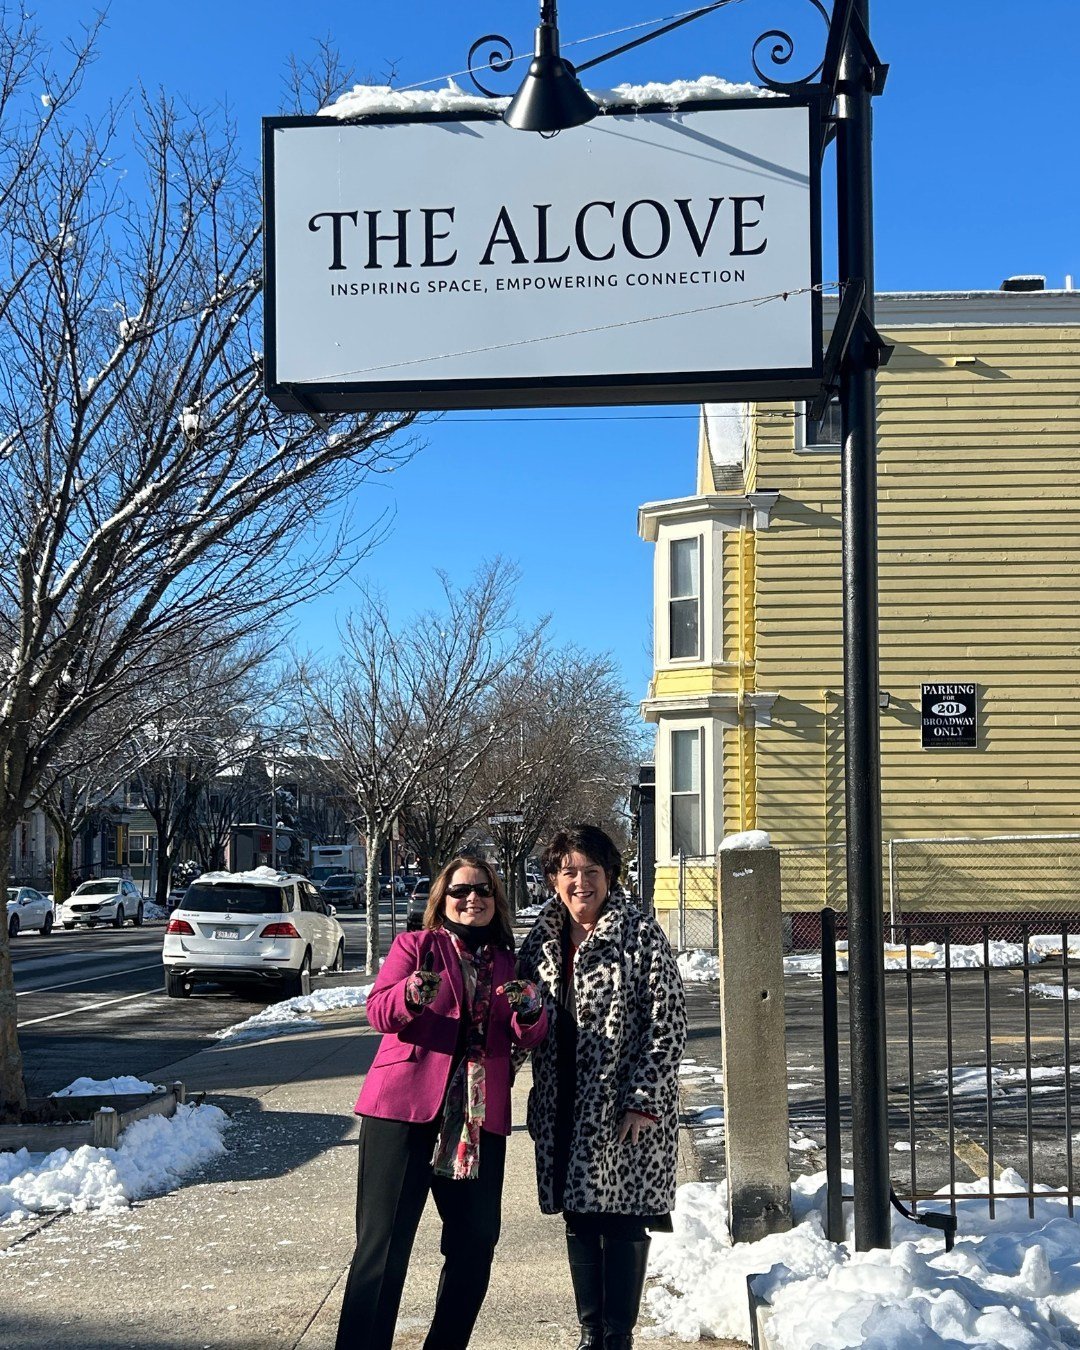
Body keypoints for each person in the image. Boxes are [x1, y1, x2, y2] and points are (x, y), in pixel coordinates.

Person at [335, 854, 547, 1350]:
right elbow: (378, 1012)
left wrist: (531, 1010)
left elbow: (528, 1035)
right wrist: (410, 994)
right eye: (460, 891)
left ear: (497, 902)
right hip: (403, 1112)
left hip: (475, 1120)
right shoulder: (417, 946)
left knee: (475, 1246)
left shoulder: (508, 964)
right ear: (442, 900)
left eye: (484, 891)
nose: (472, 898)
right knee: (383, 1249)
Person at [517, 824, 687, 1350]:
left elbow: (669, 1023)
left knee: (624, 1218)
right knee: (580, 1216)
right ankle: (592, 1333)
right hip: (561, 1101)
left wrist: (643, 1100)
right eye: (569, 871)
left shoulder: (639, 934)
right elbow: (521, 1018)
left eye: (591, 871)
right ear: (552, 879)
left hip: (623, 1107)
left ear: (610, 877)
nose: (580, 882)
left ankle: (619, 1337)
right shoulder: (541, 940)